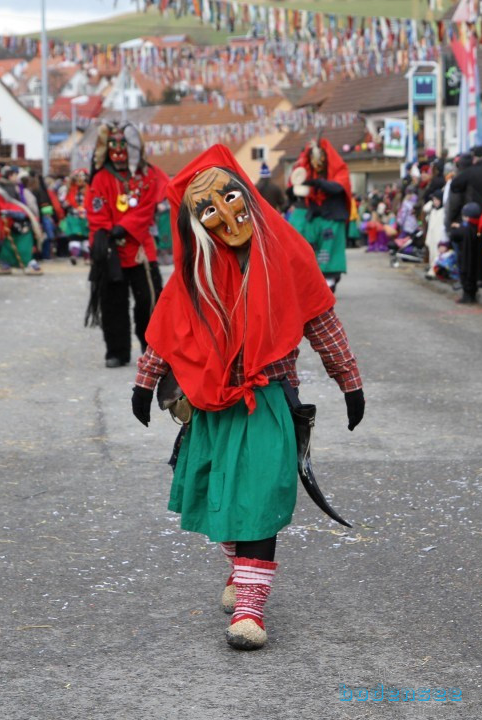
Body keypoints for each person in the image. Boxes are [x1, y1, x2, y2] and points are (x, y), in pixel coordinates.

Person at [130, 144, 364, 651]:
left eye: (230, 197)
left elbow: (321, 319)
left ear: (247, 194)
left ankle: (251, 610)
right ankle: (241, 568)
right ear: (197, 221)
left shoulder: (287, 250)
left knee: (258, 495)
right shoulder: (197, 266)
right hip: (211, 404)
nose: (227, 214)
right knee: (224, 494)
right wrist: (145, 381)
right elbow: (168, 329)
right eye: (209, 208)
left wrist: (350, 380)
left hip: (269, 398)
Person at [85, 121, 168, 367]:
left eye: (124, 146)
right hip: (112, 252)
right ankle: (117, 351)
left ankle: (152, 347)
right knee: (113, 305)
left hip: (141, 249)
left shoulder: (147, 174)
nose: (120, 151)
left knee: (148, 300)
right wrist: (106, 234)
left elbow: (147, 206)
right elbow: (95, 209)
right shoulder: (100, 178)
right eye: (114, 146)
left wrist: (126, 226)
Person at [288, 138, 352, 291]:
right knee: (302, 249)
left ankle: (327, 284)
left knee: (328, 253)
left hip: (331, 217)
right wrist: (299, 186)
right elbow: (291, 190)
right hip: (310, 216)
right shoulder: (303, 169)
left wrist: (317, 183)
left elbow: (338, 187)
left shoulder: (339, 170)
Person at [0, 167, 44, 275]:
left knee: (24, 246)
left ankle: (29, 264)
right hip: (12, 222)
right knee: (11, 247)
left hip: (19, 221)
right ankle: (8, 265)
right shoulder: (3, 189)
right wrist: (13, 213)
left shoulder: (15, 187)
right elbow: (6, 206)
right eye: (14, 175)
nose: (16, 177)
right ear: (10, 176)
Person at [452, 202, 482, 304]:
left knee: (466, 274)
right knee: (473, 275)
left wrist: (457, 227)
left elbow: (454, 236)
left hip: (465, 256)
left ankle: (467, 296)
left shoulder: (465, 227)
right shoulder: (478, 226)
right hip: (476, 257)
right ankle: (472, 294)